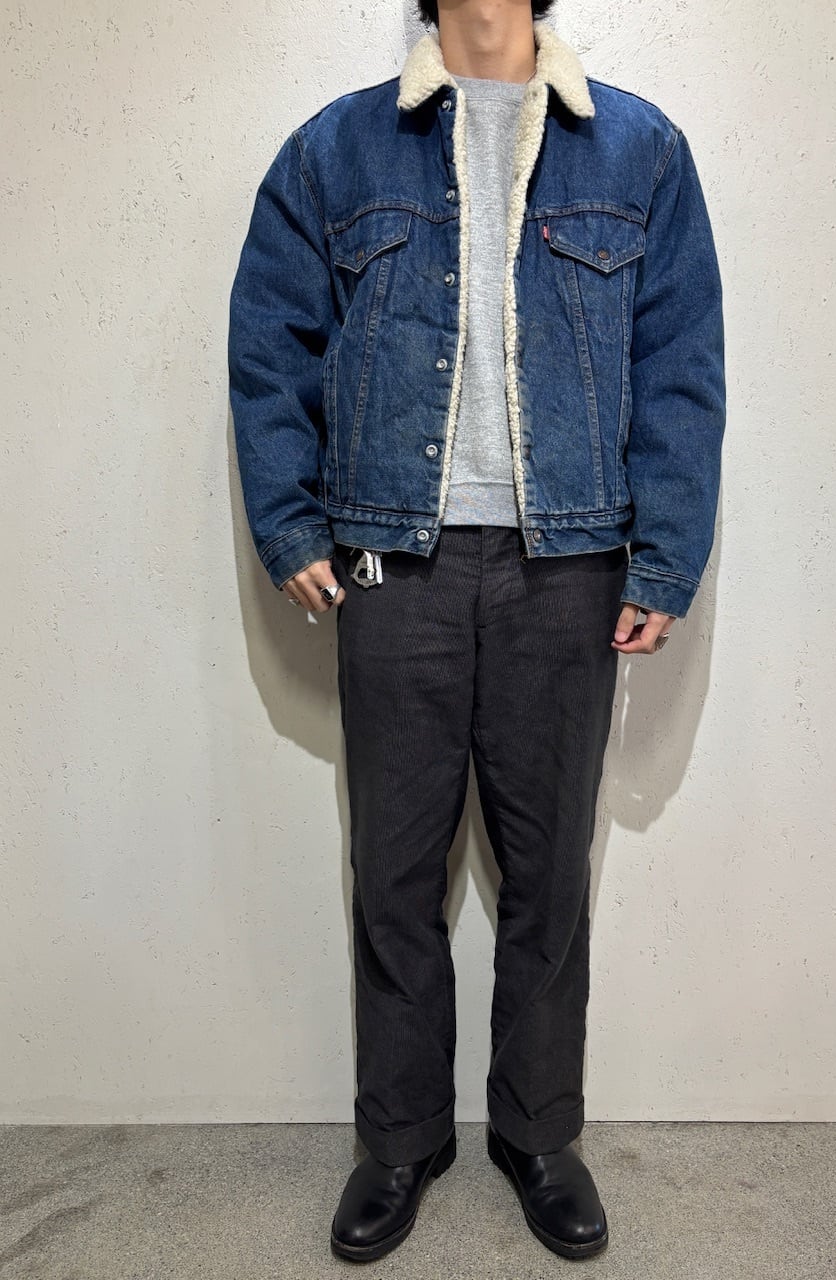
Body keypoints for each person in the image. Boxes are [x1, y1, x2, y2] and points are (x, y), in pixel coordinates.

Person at [227, 0, 725, 1263]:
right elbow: (269, 344)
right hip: (393, 560)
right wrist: (289, 523)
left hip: (572, 560)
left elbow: (681, 365)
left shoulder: (641, 151)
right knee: (393, 869)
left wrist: (665, 552)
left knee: (549, 869)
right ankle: (401, 1137)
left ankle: (537, 1131)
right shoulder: (335, 151)